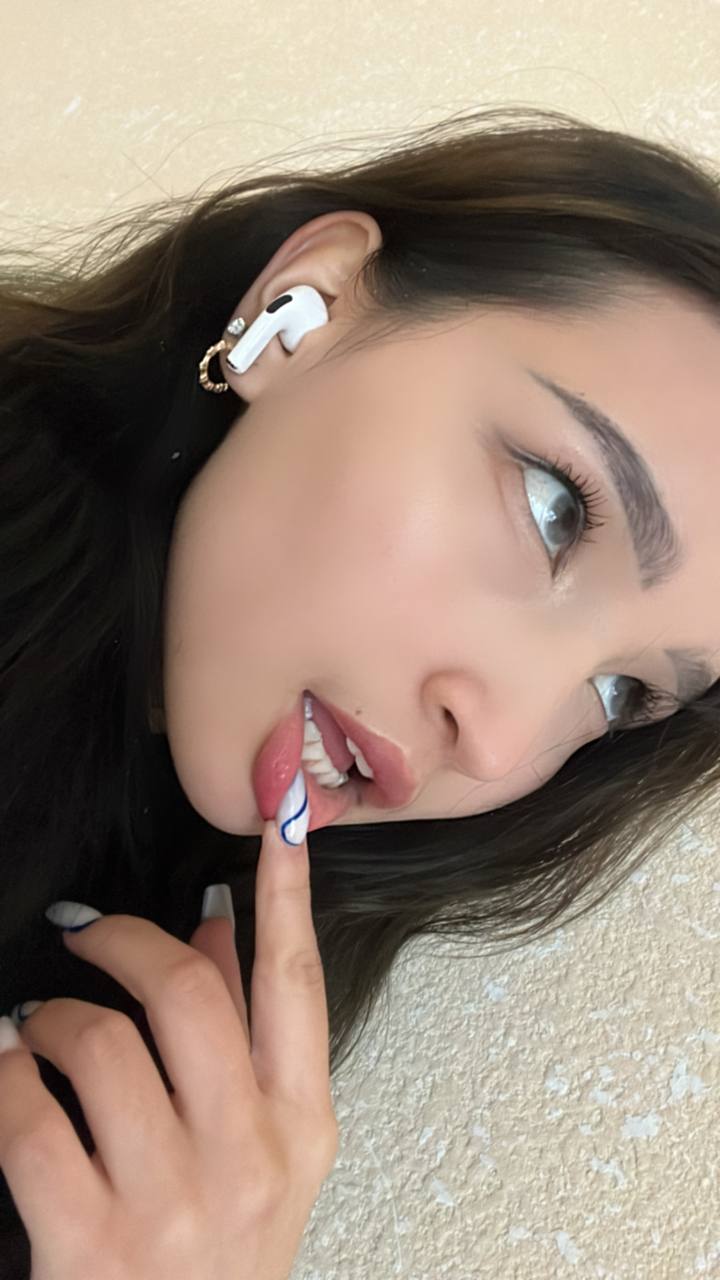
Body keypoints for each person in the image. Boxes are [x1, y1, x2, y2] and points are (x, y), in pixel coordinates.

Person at [0, 104, 718, 1273]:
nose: (497, 742)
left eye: (621, 690)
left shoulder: (201, 1003)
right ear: (303, 311)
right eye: (554, 509)